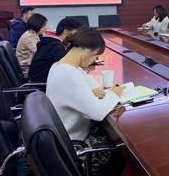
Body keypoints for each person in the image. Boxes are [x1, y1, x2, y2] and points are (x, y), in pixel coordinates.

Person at [46, 27, 125, 176]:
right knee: (120, 151)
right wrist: (114, 94)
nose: (94, 61)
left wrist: (95, 88)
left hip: (65, 137)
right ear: (87, 51)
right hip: (73, 146)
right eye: (95, 56)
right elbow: (97, 112)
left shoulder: (61, 65)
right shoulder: (68, 74)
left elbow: (85, 78)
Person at [29, 17, 81, 82]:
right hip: (43, 85)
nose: (77, 36)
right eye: (75, 33)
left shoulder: (52, 43)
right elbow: (68, 66)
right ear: (65, 31)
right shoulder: (55, 46)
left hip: (44, 81)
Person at [15, 13, 47, 78]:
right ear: (38, 25)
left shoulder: (31, 33)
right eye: (43, 26)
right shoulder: (29, 38)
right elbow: (40, 53)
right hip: (27, 69)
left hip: (28, 64)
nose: (45, 28)